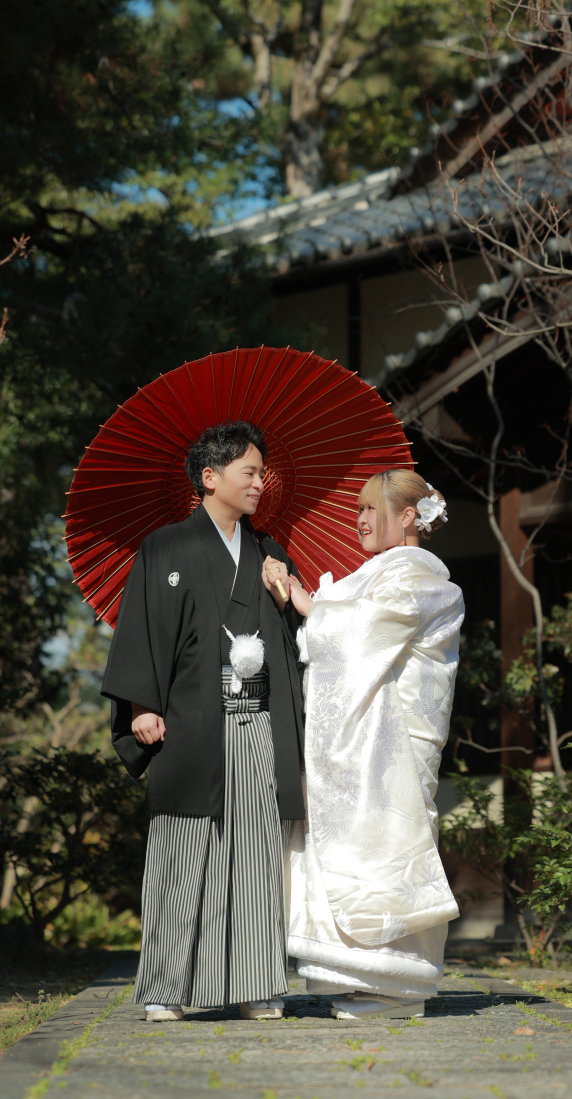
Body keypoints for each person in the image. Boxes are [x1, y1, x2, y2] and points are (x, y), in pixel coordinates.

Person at [101, 421, 305, 1022]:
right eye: (250, 472)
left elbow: (294, 644)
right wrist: (141, 703)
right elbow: (141, 627)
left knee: (255, 853)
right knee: (183, 849)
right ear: (209, 477)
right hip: (191, 721)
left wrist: (285, 595)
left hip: (258, 723)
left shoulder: (269, 554)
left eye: (263, 474)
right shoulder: (164, 547)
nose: (260, 484)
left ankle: (256, 984)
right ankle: (165, 988)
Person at [285, 469, 464, 1020]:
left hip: (395, 738)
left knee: (392, 840)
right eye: (357, 509)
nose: (359, 519)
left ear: (408, 517)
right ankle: (362, 979)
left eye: (370, 508)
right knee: (361, 841)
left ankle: (399, 985)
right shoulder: (380, 574)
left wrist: (305, 604)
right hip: (370, 731)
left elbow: (359, 636)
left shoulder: (423, 577)